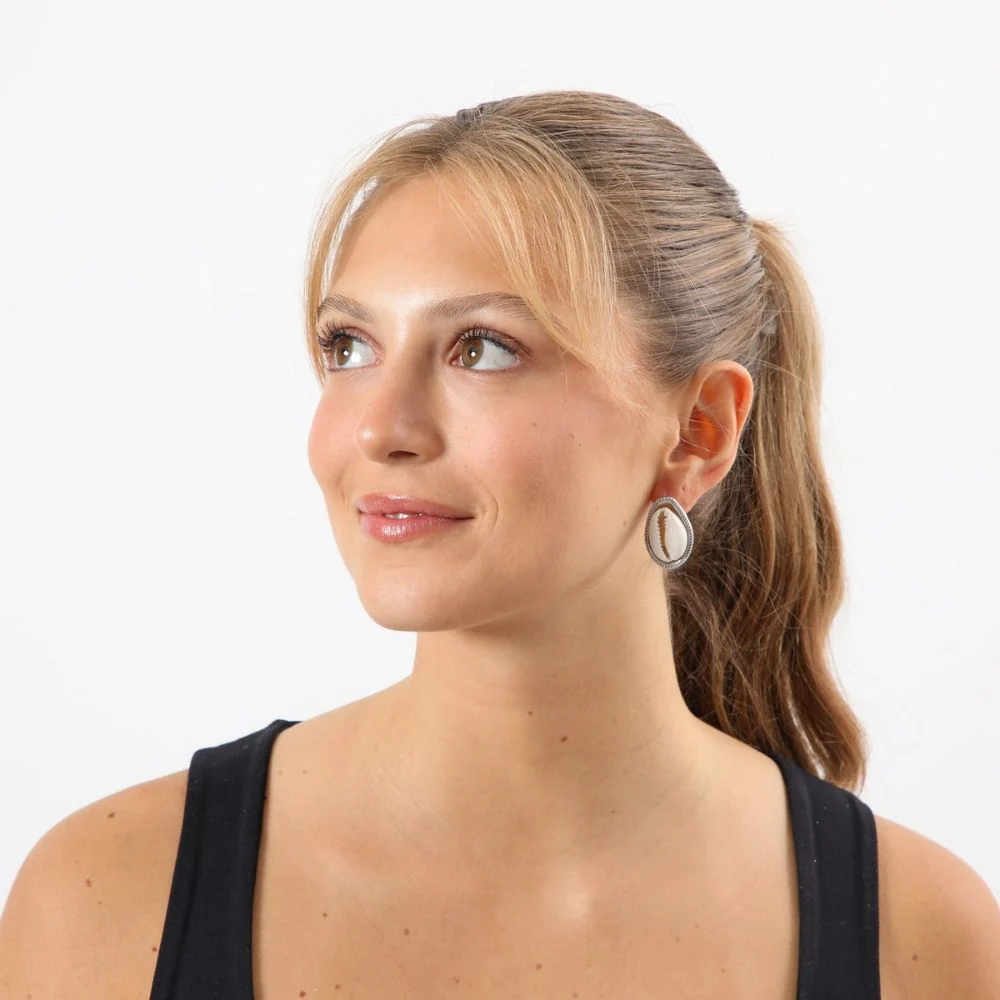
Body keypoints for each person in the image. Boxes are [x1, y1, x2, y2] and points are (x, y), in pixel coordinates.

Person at [2, 88, 998, 1000]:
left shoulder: (924, 940)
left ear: (698, 430)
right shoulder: (106, 900)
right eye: (349, 345)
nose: (380, 428)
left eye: (482, 348)